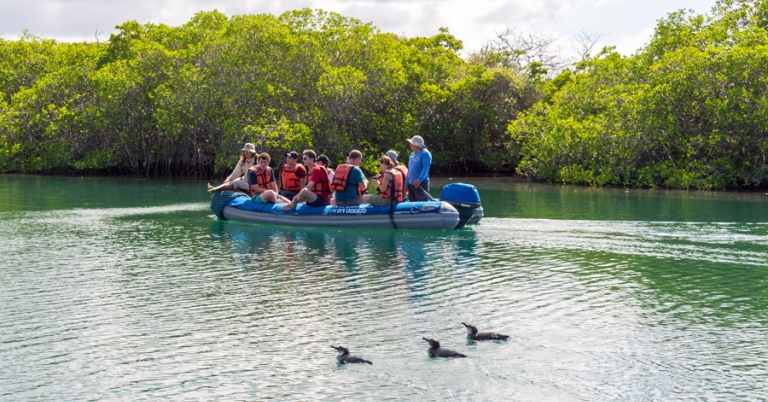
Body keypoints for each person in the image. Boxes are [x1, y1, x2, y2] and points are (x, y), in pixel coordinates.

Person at [405, 135, 433, 201]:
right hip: (411, 185)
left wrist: (419, 179)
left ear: (416, 144)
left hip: (421, 184)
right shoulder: (411, 155)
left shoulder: (425, 153)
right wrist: (406, 184)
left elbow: (426, 168)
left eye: (411, 143)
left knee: (421, 205)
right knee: (412, 205)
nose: (410, 144)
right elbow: (409, 170)